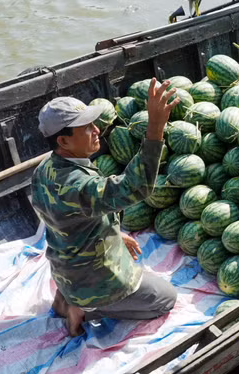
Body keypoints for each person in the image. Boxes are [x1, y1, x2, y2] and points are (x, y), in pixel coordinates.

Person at [31, 80, 180, 336]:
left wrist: (114, 233)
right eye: (86, 128)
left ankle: (69, 298)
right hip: (94, 282)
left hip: (66, 273)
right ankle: (87, 309)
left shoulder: (45, 169)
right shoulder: (77, 184)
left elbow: (69, 219)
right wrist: (155, 128)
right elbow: (136, 187)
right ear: (64, 141)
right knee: (166, 298)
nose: (96, 130)